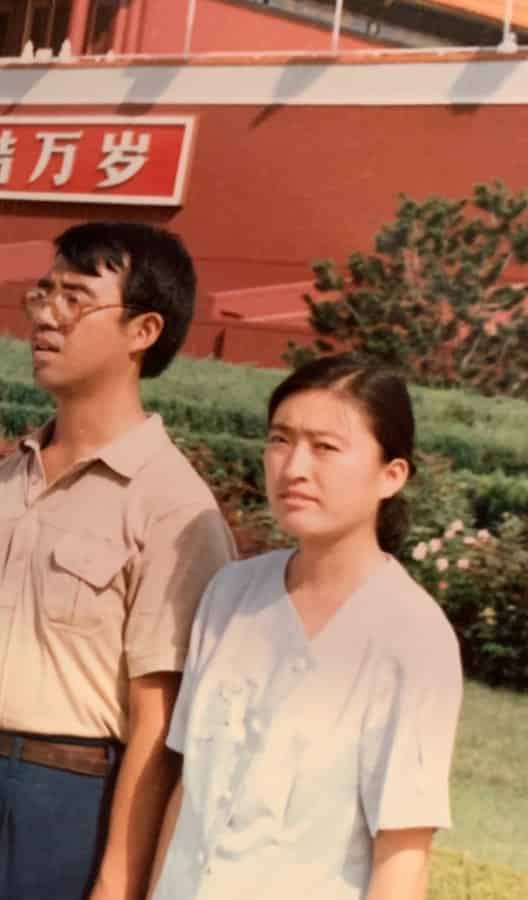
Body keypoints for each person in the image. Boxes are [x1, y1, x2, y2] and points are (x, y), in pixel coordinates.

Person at [0, 222, 237, 900]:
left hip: (58, 808)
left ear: (143, 330)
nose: (46, 318)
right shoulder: (5, 479)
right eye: (44, 294)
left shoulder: (173, 507)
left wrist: (117, 884)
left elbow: (158, 720)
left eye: (75, 299)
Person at [146, 354, 463, 900]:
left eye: (326, 448)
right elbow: (187, 792)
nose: (294, 468)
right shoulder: (230, 594)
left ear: (392, 475)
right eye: (280, 440)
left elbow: (403, 856)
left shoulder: (412, 638)